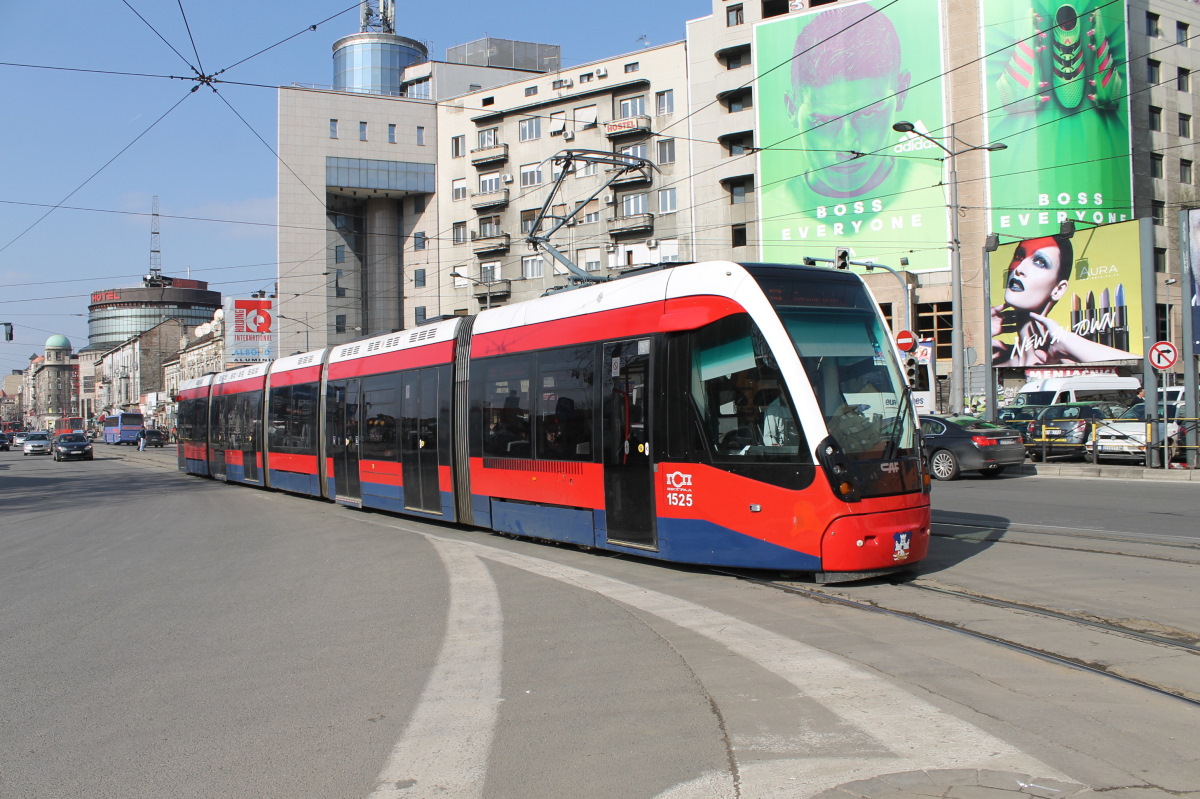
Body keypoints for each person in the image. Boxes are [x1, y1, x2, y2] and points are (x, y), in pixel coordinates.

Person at [991, 234, 1135, 366]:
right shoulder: (995, 354)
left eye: (1040, 262)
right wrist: (986, 331)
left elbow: (1137, 364)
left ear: (1058, 289)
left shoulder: (1063, 358)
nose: (1019, 269)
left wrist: (1066, 340)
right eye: (1019, 256)